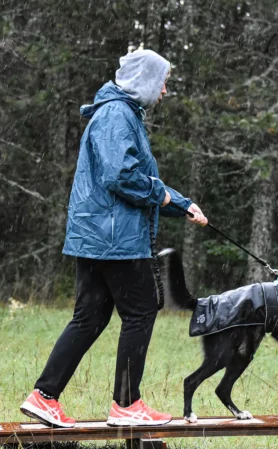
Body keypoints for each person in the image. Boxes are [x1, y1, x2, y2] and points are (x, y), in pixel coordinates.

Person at [20, 49, 208, 428]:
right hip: (113, 239)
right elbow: (121, 177)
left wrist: (182, 205)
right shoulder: (117, 115)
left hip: (100, 236)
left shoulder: (120, 114)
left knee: (89, 318)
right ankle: (126, 404)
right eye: (164, 83)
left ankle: (44, 396)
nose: (166, 91)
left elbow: (136, 181)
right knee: (141, 310)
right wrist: (166, 197)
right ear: (146, 83)